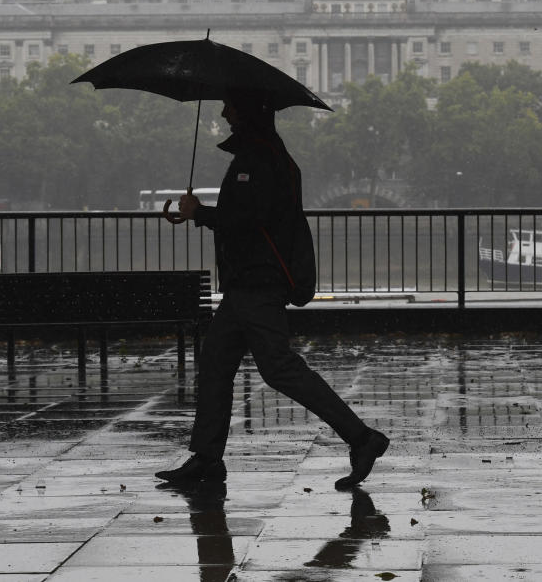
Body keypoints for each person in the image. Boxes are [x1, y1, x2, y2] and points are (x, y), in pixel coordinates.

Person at [155, 88, 389, 490]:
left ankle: (362, 438)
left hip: (258, 282)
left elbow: (247, 219)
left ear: (246, 112)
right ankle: (207, 456)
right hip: (248, 283)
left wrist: (199, 214)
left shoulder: (259, 157)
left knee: (279, 369)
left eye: (229, 104)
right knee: (216, 364)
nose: (224, 110)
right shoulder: (261, 153)